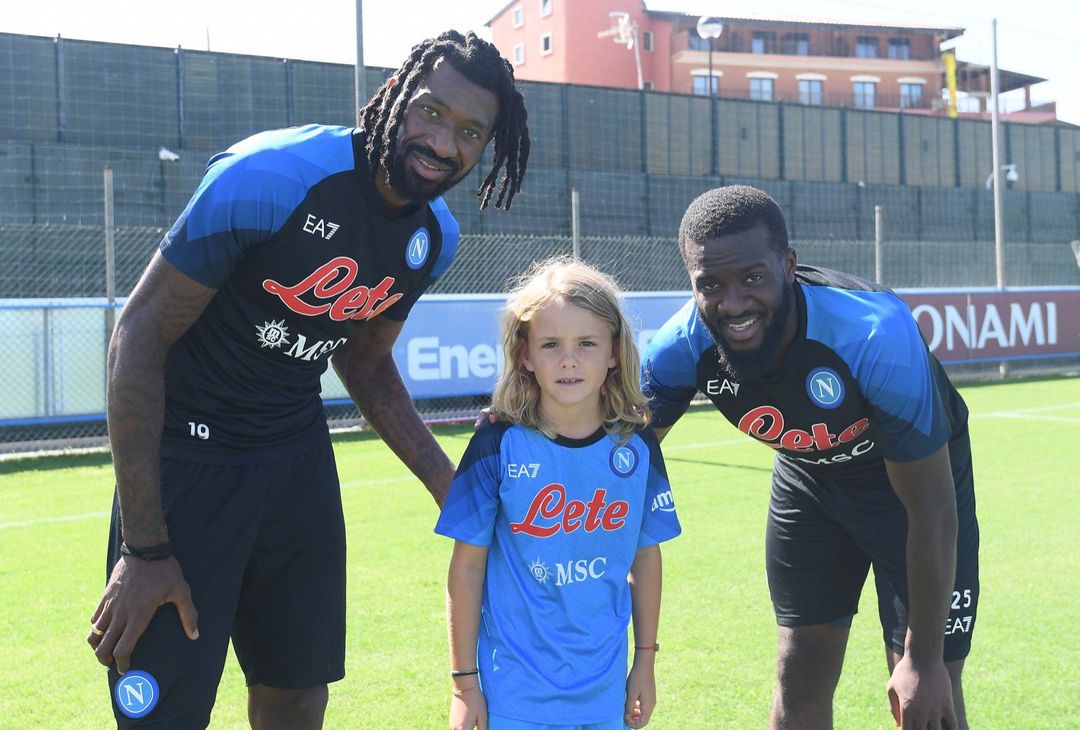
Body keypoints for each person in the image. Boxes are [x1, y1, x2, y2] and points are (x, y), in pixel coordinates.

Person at [85, 30, 530, 729]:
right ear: (390, 97)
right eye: (432, 113)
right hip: (186, 462)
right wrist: (145, 548)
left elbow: (365, 363)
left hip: (294, 461)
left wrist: (452, 488)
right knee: (161, 717)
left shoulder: (433, 238)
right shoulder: (272, 175)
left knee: (297, 696)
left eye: (471, 132)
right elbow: (138, 337)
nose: (445, 144)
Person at [641, 185, 979, 730]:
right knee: (800, 675)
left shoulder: (875, 333)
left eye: (753, 278)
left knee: (925, 695)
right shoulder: (680, 347)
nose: (732, 304)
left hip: (910, 493)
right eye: (711, 285)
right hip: (809, 485)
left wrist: (922, 657)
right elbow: (610, 453)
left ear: (788, 266)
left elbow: (933, 511)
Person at [436, 258, 682, 730]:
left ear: (614, 352)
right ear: (525, 354)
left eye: (586, 343)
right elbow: (466, 567)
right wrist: (465, 686)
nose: (569, 360)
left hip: (604, 691)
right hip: (515, 692)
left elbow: (645, 557)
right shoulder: (497, 443)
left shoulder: (637, 444)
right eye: (551, 344)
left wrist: (645, 663)